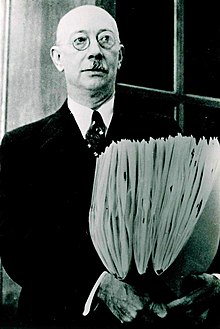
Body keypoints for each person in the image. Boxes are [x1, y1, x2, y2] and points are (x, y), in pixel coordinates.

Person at [0, 4, 220, 328]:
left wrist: (215, 278)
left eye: (105, 41)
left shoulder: (163, 133)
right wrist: (99, 286)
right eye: (80, 41)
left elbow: (201, 217)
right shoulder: (21, 146)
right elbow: (17, 247)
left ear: (120, 56)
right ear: (57, 58)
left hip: (153, 321)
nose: (95, 52)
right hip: (55, 320)